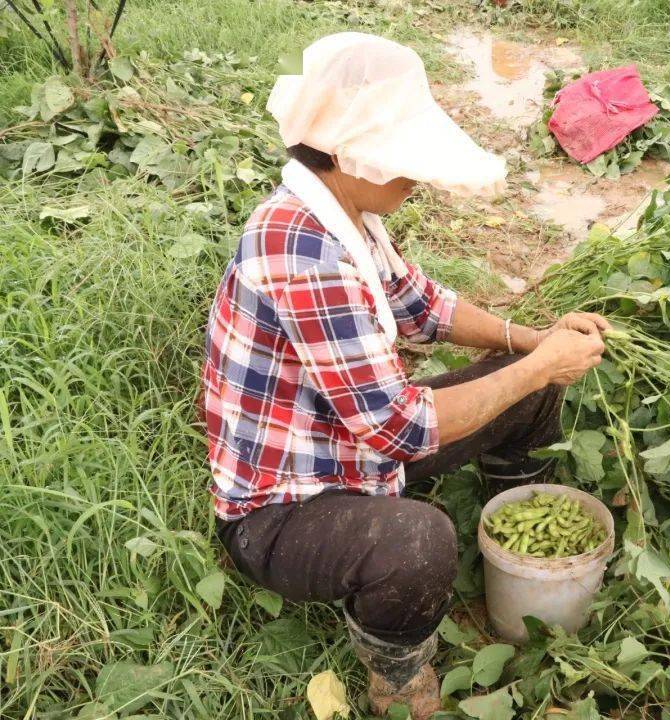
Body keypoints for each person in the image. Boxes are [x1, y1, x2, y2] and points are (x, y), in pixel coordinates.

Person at [201, 32, 608, 719]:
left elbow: (424, 306)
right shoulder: (304, 255)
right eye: (401, 160)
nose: (415, 177)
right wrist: (539, 364)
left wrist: (529, 343)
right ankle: (396, 672)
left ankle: (506, 527)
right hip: (283, 506)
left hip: (348, 443)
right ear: (349, 155)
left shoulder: (342, 215)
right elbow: (399, 428)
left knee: (526, 378)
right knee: (417, 543)